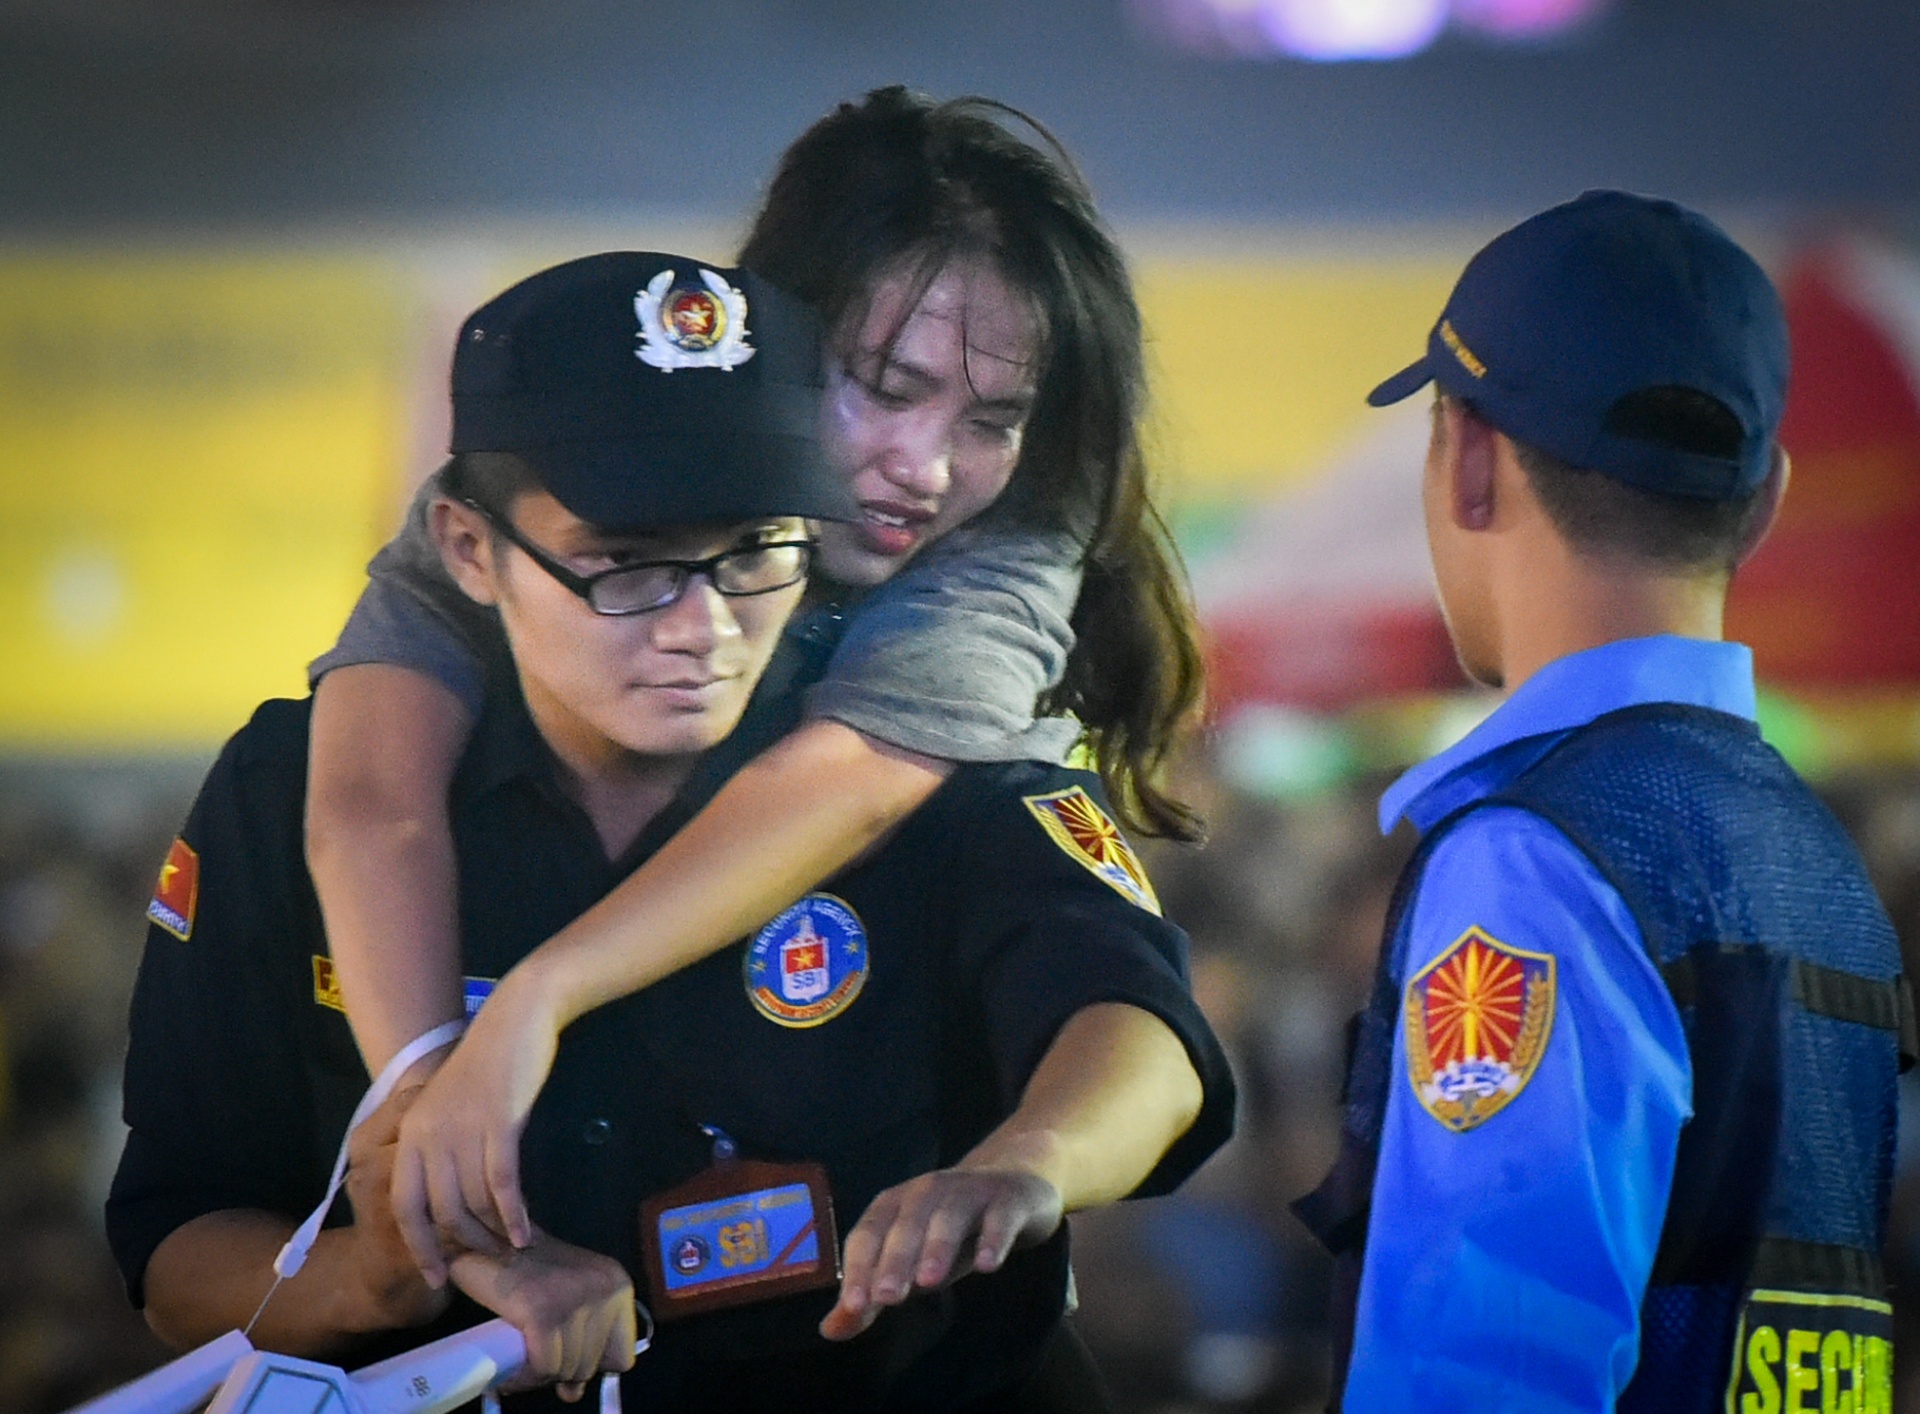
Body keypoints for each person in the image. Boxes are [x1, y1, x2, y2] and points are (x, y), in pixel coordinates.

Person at [108, 251, 1236, 1412]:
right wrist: (373, 1278)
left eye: (754, 551)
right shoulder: (289, 786)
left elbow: (1138, 1027)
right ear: (466, 549)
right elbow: (176, 1250)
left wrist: (1026, 1164)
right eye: (624, 565)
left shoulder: (930, 767)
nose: (703, 626)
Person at [298, 87, 1208, 1274]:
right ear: (764, 337)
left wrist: (535, 999)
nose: (925, 469)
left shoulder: (1007, 557)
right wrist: (425, 1109)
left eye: (993, 417)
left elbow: (863, 788)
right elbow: (374, 800)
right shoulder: (558, 483)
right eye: (885, 387)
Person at [1291, 191, 1910, 1412]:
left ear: (1466, 456)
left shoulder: (1532, 859)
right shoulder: (1817, 858)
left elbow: (1487, 1371)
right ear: (1767, 498)